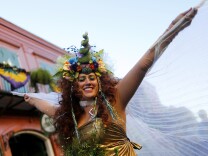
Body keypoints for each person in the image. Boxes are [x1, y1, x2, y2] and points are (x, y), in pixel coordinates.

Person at [24, 8, 197, 156]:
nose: (88, 82)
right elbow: (48, 108)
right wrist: (31, 99)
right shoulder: (70, 117)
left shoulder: (116, 100)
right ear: (73, 86)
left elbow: (144, 65)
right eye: (81, 79)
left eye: (92, 78)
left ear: (101, 82)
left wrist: (173, 29)